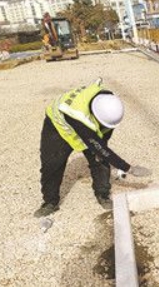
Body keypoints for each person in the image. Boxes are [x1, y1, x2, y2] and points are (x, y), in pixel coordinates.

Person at [35, 78, 151, 217]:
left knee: (100, 160)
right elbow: (98, 146)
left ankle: (103, 194)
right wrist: (128, 168)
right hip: (58, 126)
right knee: (52, 164)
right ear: (95, 115)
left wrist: (103, 151)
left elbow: (103, 144)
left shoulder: (108, 104)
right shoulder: (78, 115)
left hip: (86, 124)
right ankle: (50, 202)